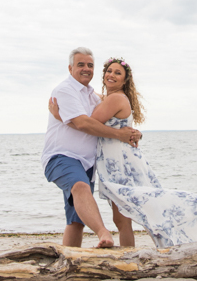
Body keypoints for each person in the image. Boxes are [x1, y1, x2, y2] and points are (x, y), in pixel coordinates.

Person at [50, 56, 197, 248]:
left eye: (117, 73)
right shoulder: (110, 98)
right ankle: (137, 253)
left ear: (124, 80)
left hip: (120, 164)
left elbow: (87, 124)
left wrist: (60, 115)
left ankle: (132, 255)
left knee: (124, 220)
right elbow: (94, 101)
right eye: (109, 71)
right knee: (126, 217)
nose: (111, 75)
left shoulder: (114, 99)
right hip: (120, 161)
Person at [41, 47, 142, 248]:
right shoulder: (65, 90)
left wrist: (132, 132)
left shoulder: (92, 96)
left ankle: (71, 260)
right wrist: (120, 134)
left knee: (76, 221)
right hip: (63, 157)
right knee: (80, 187)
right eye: (81, 65)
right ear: (70, 68)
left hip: (86, 163)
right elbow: (84, 124)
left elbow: (112, 117)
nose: (86, 69)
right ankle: (103, 232)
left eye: (90, 65)